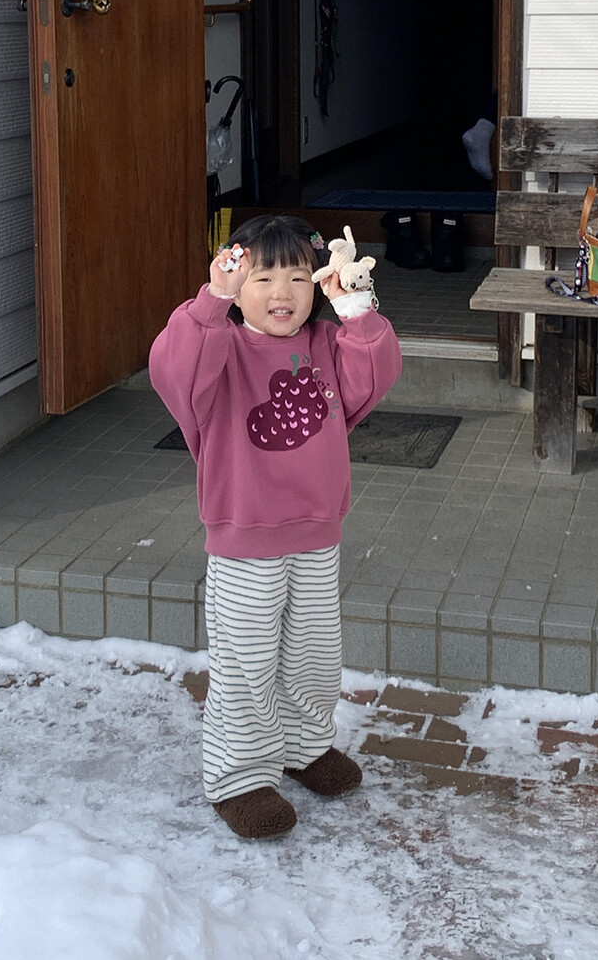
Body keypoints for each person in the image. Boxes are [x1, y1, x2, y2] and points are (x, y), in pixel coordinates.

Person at [148, 215, 402, 840]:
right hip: (244, 538)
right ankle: (238, 778)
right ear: (239, 285)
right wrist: (211, 302)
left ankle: (304, 746)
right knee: (248, 660)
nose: (282, 292)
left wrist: (356, 310)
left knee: (314, 652)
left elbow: (374, 377)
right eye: (263, 278)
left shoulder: (325, 344)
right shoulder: (220, 347)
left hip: (317, 532)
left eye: (297, 277)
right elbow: (172, 368)